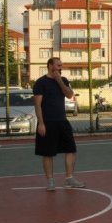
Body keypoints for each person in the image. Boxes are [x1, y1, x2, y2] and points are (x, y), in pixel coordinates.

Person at [33, 57, 85, 191]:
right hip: (47, 122)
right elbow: (38, 105)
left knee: (71, 149)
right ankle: (50, 181)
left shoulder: (64, 80)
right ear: (50, 66)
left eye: (61, 65)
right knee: (48, 153)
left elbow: (69, 95)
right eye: (58, 65)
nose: (61, 67)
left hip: (62, 121)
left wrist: (59, 80)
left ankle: (69, 178)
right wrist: (41, 123)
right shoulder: (40, 83)